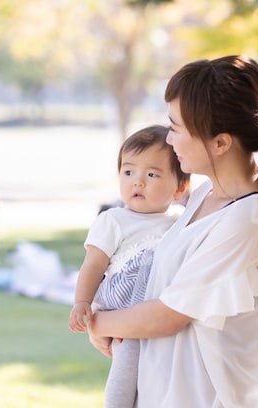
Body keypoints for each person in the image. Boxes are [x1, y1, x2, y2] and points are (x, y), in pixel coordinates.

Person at [88, 55, 258, 407]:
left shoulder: (246, 219)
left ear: (221, 142)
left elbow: (168, 315)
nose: (170, 140)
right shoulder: (203, 196)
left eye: (177, 127)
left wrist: (97, 322)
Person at [67, 125, 189, 407]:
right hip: (125, 312)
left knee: (164, 376)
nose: (138, 182)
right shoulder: (114, 221)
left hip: (160, 308)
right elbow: (93, 266)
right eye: (129, 172)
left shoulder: (181, 219)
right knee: (126, 369)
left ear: (180, 186)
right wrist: (82, 302)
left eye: (152, 174)